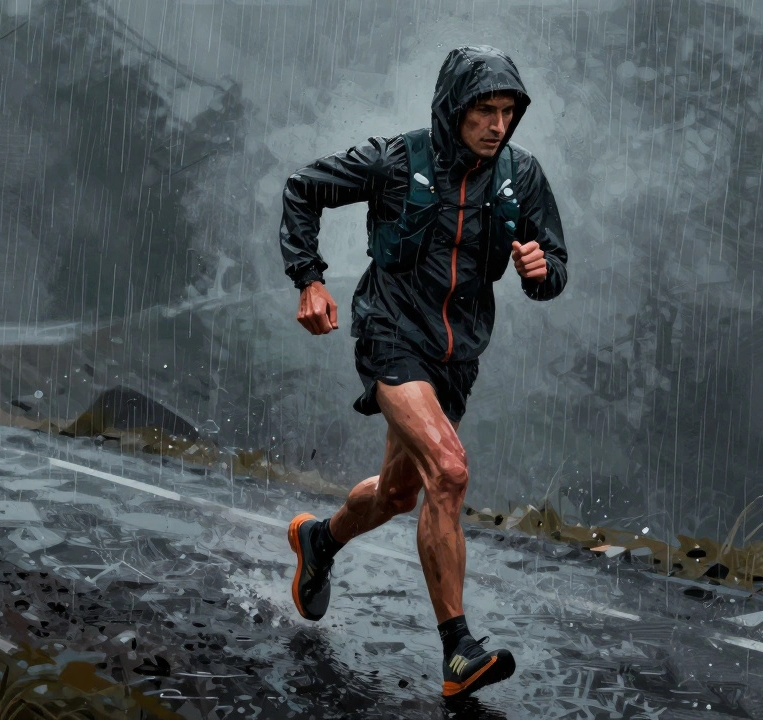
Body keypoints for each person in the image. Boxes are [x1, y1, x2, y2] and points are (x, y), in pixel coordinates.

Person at [277, 45, 568, 700]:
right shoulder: (395, 160)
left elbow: (553, 264)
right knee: (451, 471)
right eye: (484, 111)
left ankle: (320, 540)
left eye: (507, 111)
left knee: (399, 494)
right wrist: (309, 280)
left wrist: (542, 271)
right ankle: (458, 650)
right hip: (391, 337)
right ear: (452, 110)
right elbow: (303, 189)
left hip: (456, 360)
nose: (497, 125)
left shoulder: (521, 176)